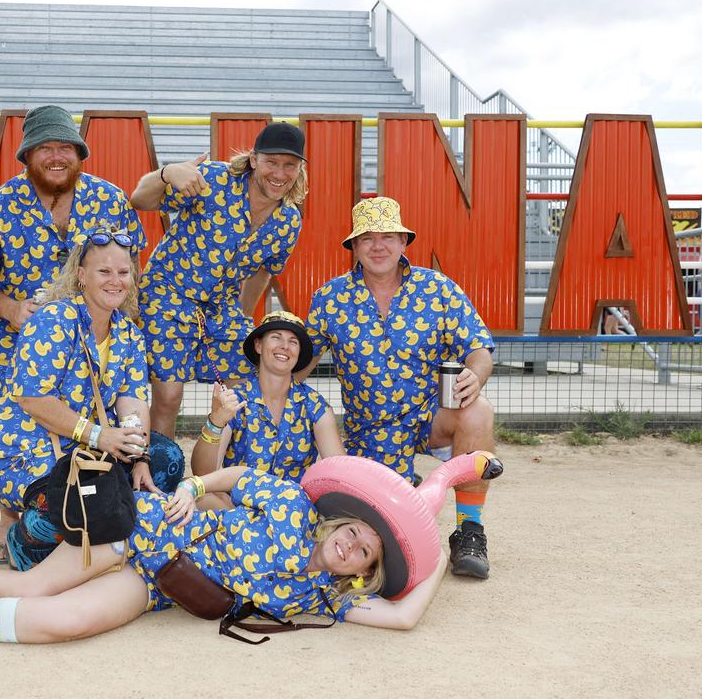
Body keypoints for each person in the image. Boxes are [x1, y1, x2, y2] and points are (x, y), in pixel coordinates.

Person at [0, 465, 446, 651]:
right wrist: (191, 488)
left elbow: (402, 617)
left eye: (365, 552)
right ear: (339, 521)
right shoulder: (290, 504)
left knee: (68, 622)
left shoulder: (322, 597)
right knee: (33, 587)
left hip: (161, 583)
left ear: (361, 572)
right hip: (143, 530)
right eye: (354, 531)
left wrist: (437, 556)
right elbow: (236, 477)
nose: (352, 544)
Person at [0, 104, 146, 564]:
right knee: (22, 425)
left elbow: (126, 265)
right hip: (15, 338)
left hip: (92, 331)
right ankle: (10, 520)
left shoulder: (110, 200)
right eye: (46, 148)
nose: (57, 157)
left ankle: (67, 514)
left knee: (85, 427)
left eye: (66, 148)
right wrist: (9, 309)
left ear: (80, 155)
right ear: (27, 156)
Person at [301, 197, 499, 579]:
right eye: (367, 238)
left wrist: (476, 373)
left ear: (404, 243)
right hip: (368, 434)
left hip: (430, 417)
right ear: (354, 248)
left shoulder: (437, 289)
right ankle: (405, 486)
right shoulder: (330, 299)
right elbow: (299, 362)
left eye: (388, 236)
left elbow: (479, 347)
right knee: (385, 532)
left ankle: (469, 532)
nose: (379, 246)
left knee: (479, 410)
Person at [0, 232, 182, 571]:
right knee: (68, 505)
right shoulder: (54, 319)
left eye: (123, 272)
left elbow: (132, 402)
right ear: (81, 276)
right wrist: (101, 437)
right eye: (104, 272)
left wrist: (138, 454)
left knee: (165, 459)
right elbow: (33, 397)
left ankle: (103, 535)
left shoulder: (128, 331)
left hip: (87, 446)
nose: (116, 281)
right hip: (26, 446)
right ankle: (25, 540)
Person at [129, 122, 307, 440]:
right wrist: (167, 173)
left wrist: (241, 316)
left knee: (246, 388)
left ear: (299, 169)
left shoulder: (288, 221)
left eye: (289, 165)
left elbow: (263, 270)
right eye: (271, 162)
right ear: (253, 159)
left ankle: (226, 477)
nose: (279, 173)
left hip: (221, 307)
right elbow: (140, 199)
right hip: (168, 293)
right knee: (168, 397)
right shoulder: (213, 179)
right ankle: (159, 481)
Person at [190, 310, 344, 508]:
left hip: (292, 512)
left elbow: (339, 474)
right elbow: (204, 474)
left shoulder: (316, 406)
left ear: (298, 354)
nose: (285, 346)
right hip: (237, 509)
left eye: (293, 342)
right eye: (276, 337)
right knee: (201, 498)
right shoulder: (235, 400)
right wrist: (216, 422)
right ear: (258, 345)